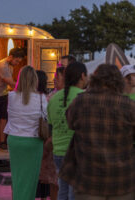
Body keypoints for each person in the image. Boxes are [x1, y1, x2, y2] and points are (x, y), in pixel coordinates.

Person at [60, 64, 135, 200]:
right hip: (121, 180)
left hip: (88, 179)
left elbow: (70, 123)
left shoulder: (80, 102)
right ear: (118, 81)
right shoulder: (129, 106)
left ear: (94, 79)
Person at [4, 66, 46, 200]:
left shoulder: (11, 96)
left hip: (15, 140)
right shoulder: (41, 99)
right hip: (33, 142)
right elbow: (46, 118)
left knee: (17, 176)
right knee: (30, 179)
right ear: (35, 80)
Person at [47, 62, 88, 200]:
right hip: (76, 152)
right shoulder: (84, 97)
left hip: (58, 152)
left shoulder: (54, 98)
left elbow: (50, 126)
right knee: (73, 193)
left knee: (62, 190)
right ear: (83, 76)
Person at [0, 47, 25, 149]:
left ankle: (2, 142)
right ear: (11, 57)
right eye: (16, 61)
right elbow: (10, 82)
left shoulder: (10, 66)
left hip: (3, 94)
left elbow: (9, 83)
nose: (17, 63)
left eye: (19, 62)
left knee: (4, 118)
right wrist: (25, 88)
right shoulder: (2, 66)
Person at [35, 70, 58, 200]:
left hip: (43, 138)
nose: (54, 80)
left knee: (44, 171)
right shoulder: (46, 96)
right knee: (49, 173)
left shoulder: (44, 97)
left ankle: (42, 196)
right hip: (47, 137)